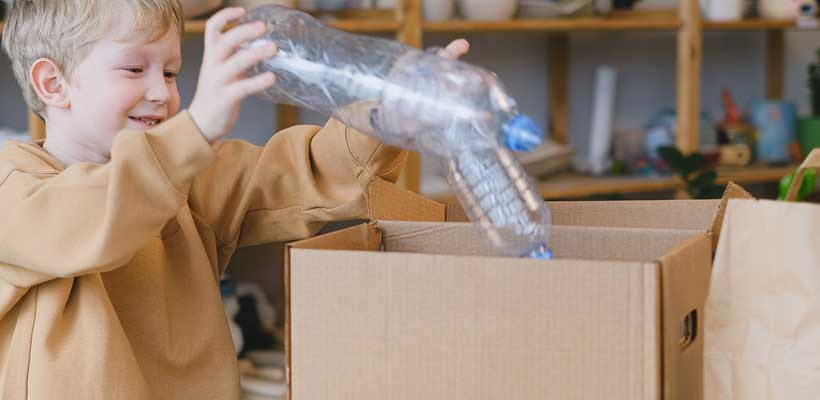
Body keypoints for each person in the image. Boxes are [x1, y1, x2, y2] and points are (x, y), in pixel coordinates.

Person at [0, 0, 469, 398]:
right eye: (134, 69)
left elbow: (312, 175)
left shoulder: (190, 176)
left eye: (170, 71)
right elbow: (95, 218)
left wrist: (387, 115)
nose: (162, 92)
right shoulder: (14, 188)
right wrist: (197, 127)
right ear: (52, 83)